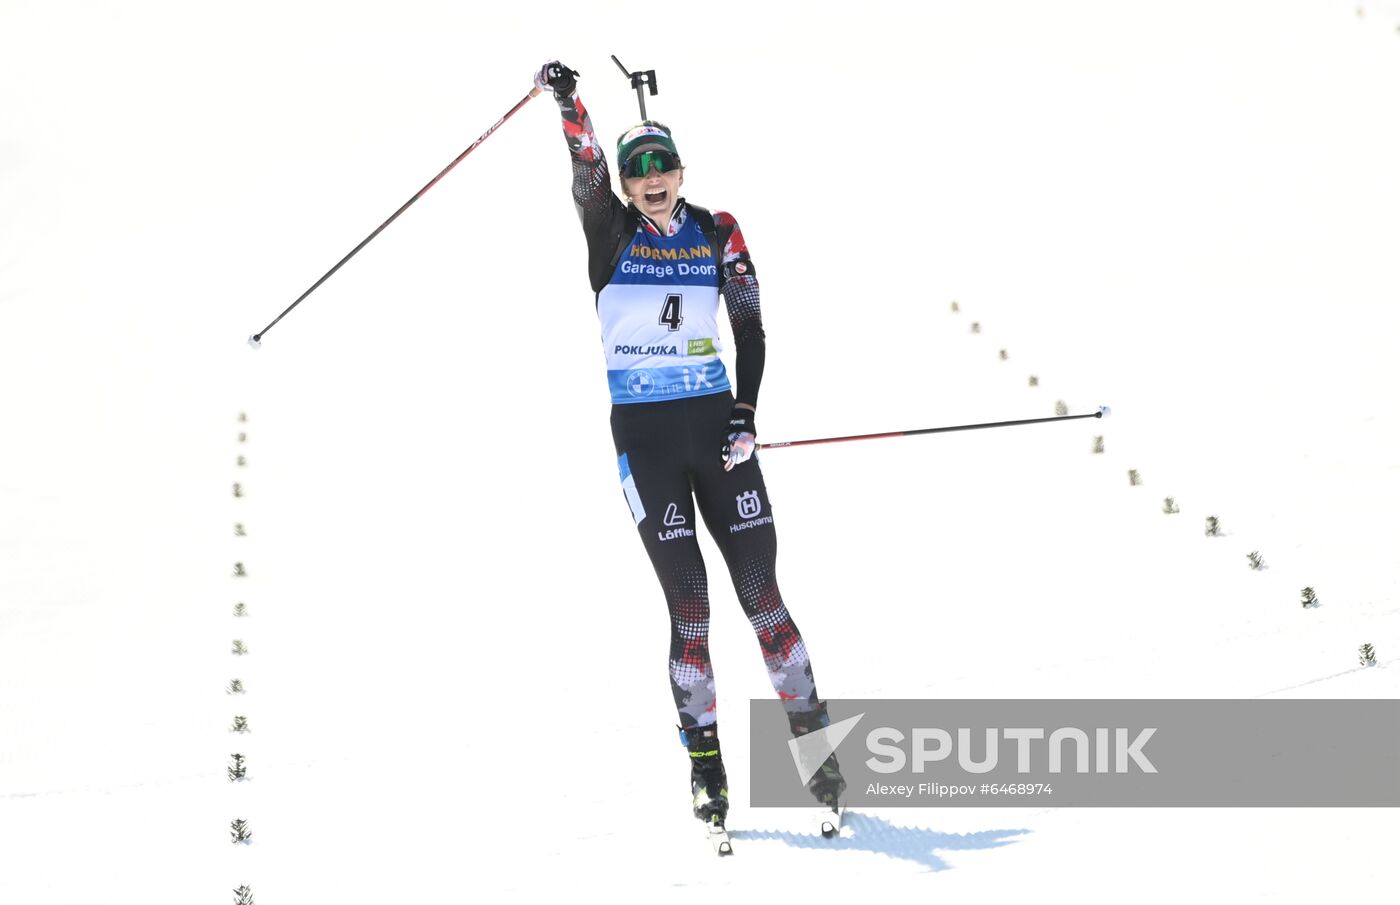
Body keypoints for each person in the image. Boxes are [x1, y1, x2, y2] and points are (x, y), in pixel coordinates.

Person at [534, 61, 844, 829]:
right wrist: (571, 105)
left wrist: (745, 410)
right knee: (693, 609)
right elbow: (585, 170)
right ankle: (706, 764)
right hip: (646, 439)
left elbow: (749, 324)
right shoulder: (609, 230)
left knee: (763, 596)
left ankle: (812, 741)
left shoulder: (717, 230)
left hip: (716, 431)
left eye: (660, 166)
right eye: (636, 170)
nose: (649, 180)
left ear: (680, 170)